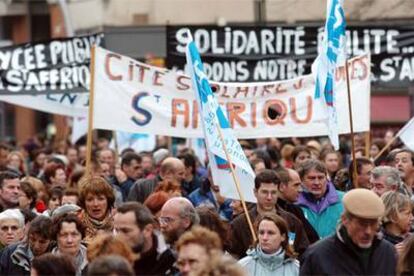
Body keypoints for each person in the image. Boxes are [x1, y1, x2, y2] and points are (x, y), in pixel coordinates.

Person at [300, 188, 397, 275]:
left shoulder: (388, 253)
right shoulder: (317, 256)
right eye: (362, 224)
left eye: (373, 224)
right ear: (345, 220)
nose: (368, 231)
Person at [229, 169, 309, 259]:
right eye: (264, 192)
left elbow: (303, 253)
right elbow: (232, 256)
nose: (269, 197)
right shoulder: (240, 224)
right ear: (255, 192)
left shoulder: (292, 222)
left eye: (273, 192)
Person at [113, 202, 175, 275]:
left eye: (125, 231)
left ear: (147, 230)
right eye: (117, 231)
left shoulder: (172, 262)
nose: (118, 237)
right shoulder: (110, 261)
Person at [297, 159, 344, 238]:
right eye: (311, 178)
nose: (317, 183)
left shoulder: (344, 199)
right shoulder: (294, 203)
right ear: (301, 180)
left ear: (326, 178)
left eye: (321, 178)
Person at [275, 168, 319, 244]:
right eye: (296, 185)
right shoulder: (271, 211)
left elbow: (312, 238)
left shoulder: (296, 210)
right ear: (282, 187)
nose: (300, 190)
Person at [78, 176, 114, 244]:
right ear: (84, 203)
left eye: (100, 199)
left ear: (108, 200)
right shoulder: (76, 224)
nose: (95, 204)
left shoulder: (118, 222)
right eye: (90, 199)